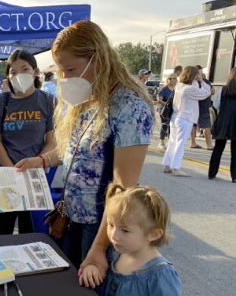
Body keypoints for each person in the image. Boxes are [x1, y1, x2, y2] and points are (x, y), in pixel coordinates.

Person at [16, 21, 153, 269]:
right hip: (72, 216)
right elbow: (77, 150)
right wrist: (43, 160)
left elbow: (123, 186)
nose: (66, 78)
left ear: (99, 58)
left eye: (71, 69)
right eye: (61, 71)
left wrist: (99, 248)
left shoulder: (128, 106)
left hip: (101, 225)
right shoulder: (88, 99)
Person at [80, 184, 184, 296]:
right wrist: (92, 270)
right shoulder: (117, 253)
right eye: (111, 225)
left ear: (154, 234)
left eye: (125, 230)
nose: (113, 235)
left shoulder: (160, 274)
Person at [0, 49, 56, 235]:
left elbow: (52, 140)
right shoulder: (3, 101)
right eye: (13, 72)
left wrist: (38, 162)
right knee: (1, 237)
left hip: (34, 177)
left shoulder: (48, 101)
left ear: (35, 71)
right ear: (8, 76)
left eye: (25, 69)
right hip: (4, 175)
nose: (19, 75)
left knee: (30, 235)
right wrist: (12, 170)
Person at [162, 66, 211, 177]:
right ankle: (176, 168)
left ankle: (167, 165)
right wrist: (201, 80)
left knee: (172, 143)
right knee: (180, 144)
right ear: (193, 76)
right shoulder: (190, 89)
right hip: (185, 118)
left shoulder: (179, 86)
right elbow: (207, 92)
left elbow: (195, 87)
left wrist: (196, 79)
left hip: (175, 117)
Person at [208, 66, 236, 183]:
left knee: (218, 147)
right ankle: (235, 176)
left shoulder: (223, 90)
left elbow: (217, 105)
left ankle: (212, 173)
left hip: (223, 121)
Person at [189, 65, 214, 150]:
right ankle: (209, 145)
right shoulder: (204, 81)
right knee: (206, 126)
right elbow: (212, 91)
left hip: (193, 106)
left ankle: (192, 142)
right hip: (203, 106)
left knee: (193, 124)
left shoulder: (190, 82)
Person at [157, 74, 177, 149]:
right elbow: (159, 100)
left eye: (174, 78)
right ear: (167, 80)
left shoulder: (177, 89)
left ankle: (170, 142)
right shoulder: (164, 89)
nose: (172, 80)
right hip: (164, 110)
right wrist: (167, 104)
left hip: (173, 110)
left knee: (172, 127)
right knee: (165, 125)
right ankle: (161, 142)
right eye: (170, 79)